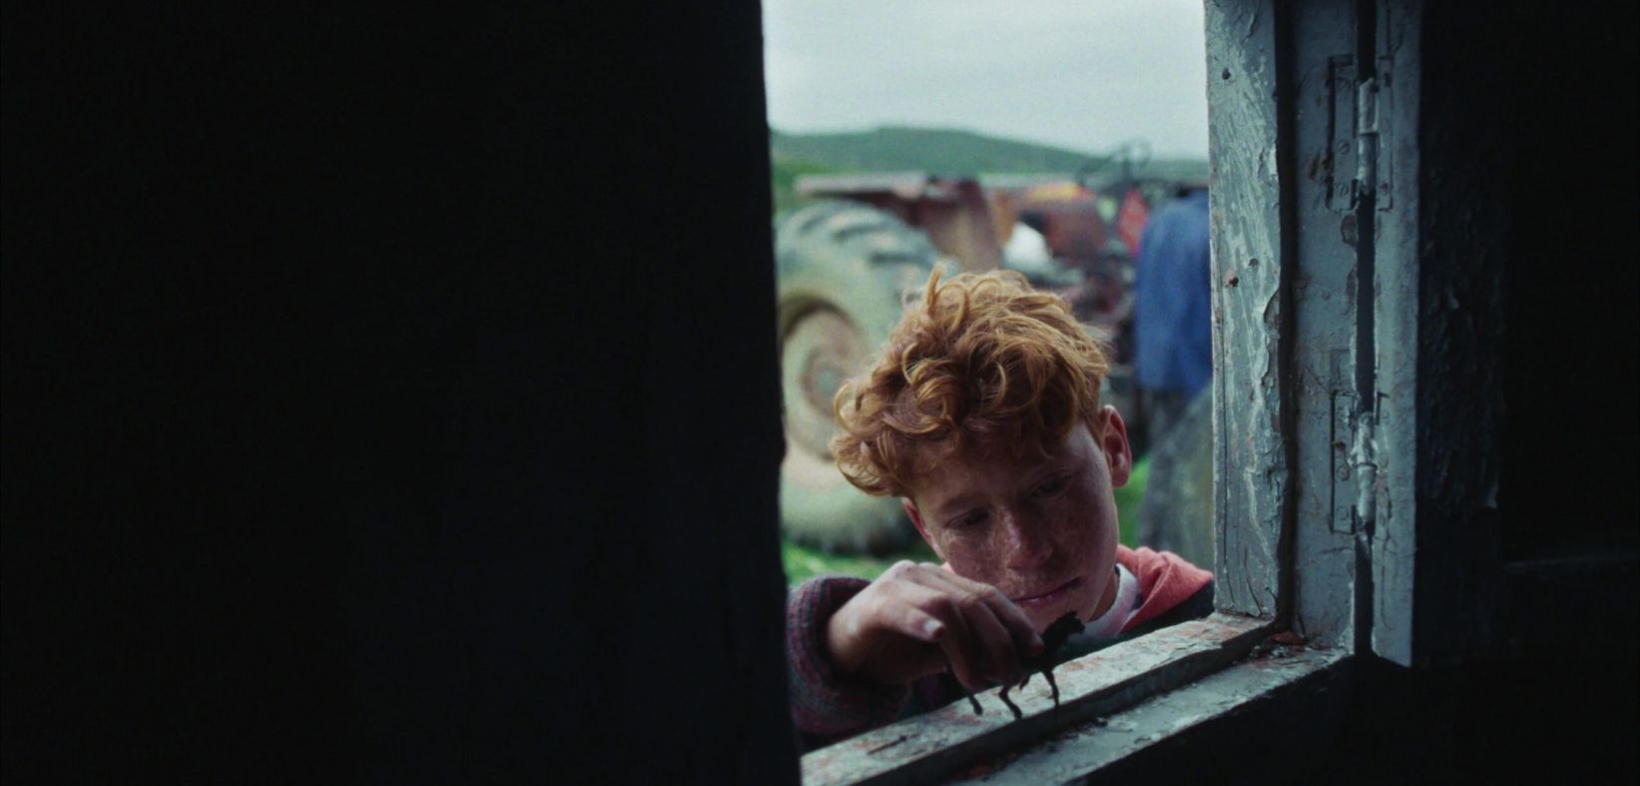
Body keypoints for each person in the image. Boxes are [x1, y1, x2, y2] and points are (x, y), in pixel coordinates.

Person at [786, 269, 1214, 751]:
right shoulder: (907, 665)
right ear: (924, 528)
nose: (1025, 551)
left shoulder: (1213, 619)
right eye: (969, 520)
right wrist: (833, 646)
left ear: (1113, 448)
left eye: (1050, 487)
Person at [1131, 186, 1212, 446]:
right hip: (1195, 368)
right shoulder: (1214, 225)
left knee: (1165, 460)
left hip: (1154, 363)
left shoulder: (1159, 220)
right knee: (1197, 466)